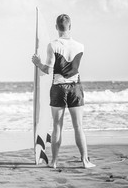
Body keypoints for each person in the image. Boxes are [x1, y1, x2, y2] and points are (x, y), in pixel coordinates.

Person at [32, 14, 95, 169]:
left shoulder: (53, 45)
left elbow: (48, 69)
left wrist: (37, 63)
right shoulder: (81, 46)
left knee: (57, 126)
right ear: (70, 26)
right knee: (78, 126)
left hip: (58, 88)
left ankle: (54, 162)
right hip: (75, 87)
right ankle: (85, 161)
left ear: (56, 27)